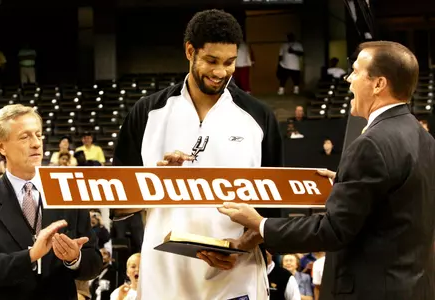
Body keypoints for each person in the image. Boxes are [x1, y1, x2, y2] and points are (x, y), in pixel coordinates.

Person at [218, 41, 435, 300]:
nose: (348, 79)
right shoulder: (425, 139)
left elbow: (333, 230)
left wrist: (261, 224)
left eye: (355, 71)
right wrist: (345, 184)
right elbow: (395, 208)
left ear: (378, 84)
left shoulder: (372, 143)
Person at [111, 9, 283, 300]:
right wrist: (155, 182)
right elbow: (115, 205)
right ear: (190, 51)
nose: (220, 73)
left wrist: (243, 244)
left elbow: (272, 211)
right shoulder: (147, 112)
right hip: (164, 273)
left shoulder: (259, 117)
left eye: (229, 63)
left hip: (235, 270)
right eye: (211, 61)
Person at [0, 104, 103, 300]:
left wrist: (75, 258)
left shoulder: (68, 193)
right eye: (25, 137)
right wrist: (31, 256)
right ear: (1, 146)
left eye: (38, 135)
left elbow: (93, 262)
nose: (36, 143)